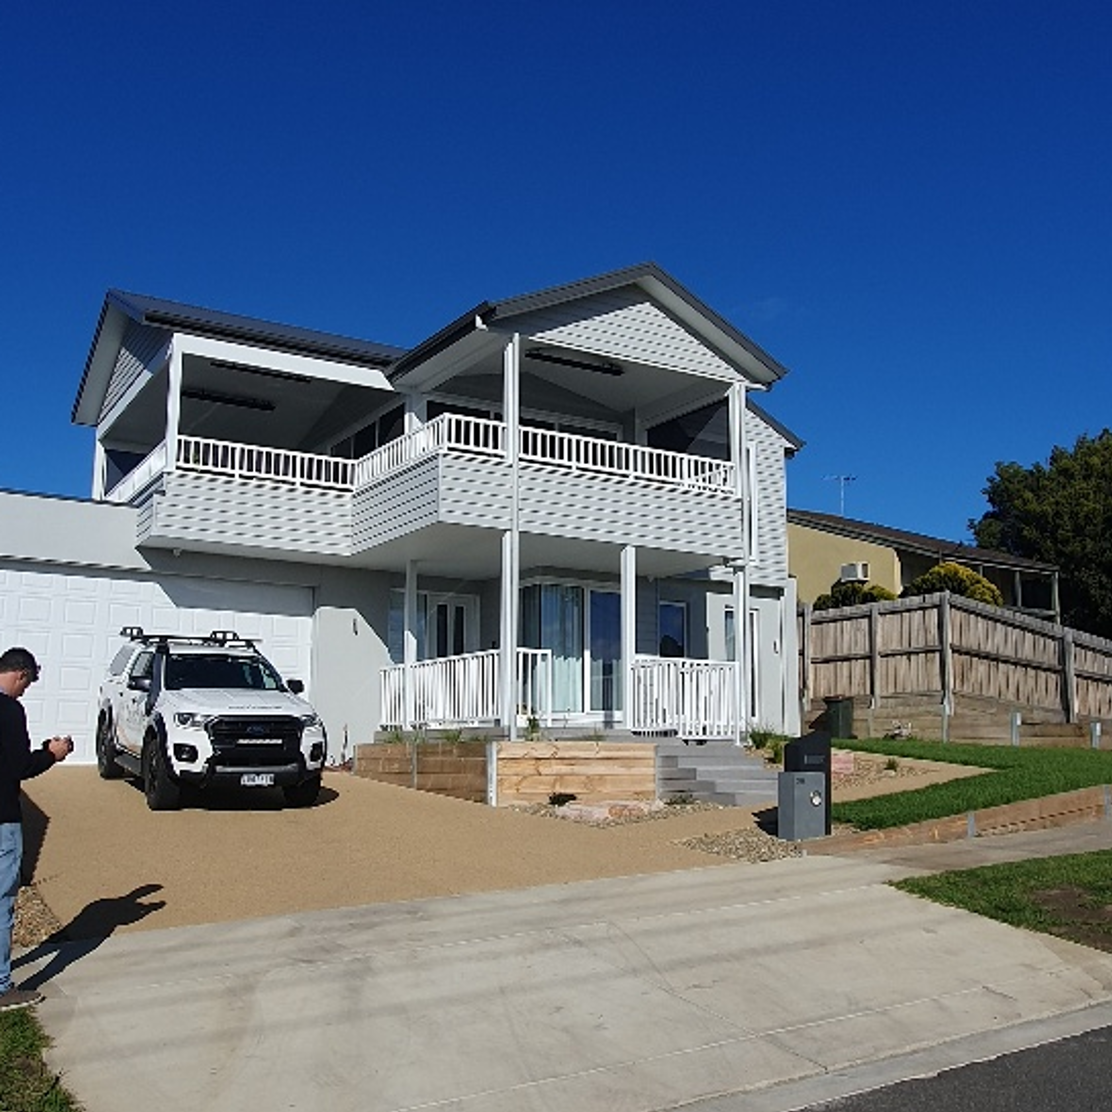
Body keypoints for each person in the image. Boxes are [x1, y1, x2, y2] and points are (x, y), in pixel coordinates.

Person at [0, 648, 72, 1011]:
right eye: (27, 684)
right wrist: (52, 755)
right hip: (2, 819)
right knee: (2, 902)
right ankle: (1, 988)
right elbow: (17, 766)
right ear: (21, 675)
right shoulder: (10, 710)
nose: (25, 691)